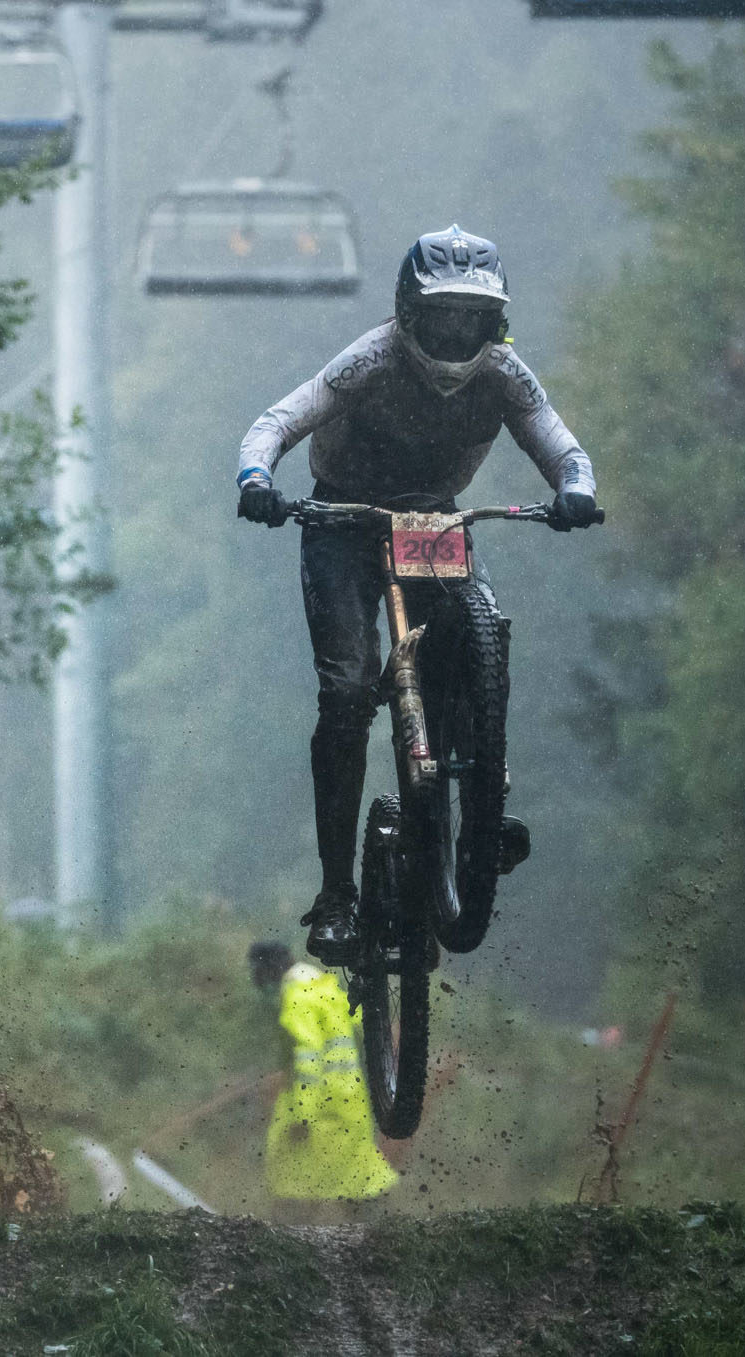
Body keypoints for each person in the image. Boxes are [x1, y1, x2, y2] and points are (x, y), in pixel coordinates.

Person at [234, 224, 599, 965]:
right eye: (444, 316)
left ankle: (482, 810)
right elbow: (279, 419)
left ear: (495, 320)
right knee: (344, 691)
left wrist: (577, 489)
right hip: (343, 515)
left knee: (481, 633)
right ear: (409, 313)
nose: (459, 332)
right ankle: (337, 892)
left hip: (432, 515)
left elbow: (559, 441)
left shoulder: (505, 373)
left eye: (474, 317)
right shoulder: (370, 359)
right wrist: (258, 479)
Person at [247, 940, 397, 1215]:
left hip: (319, 1110)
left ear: (268, 970)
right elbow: (363, 1027)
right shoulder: (327, 989)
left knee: (293, 1182)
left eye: (257, 974)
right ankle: (379, 1245)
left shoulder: (298, 996)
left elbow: (308, 1060)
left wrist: (302, 1116)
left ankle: (288, 1248)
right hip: (351, 1106)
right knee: (357, 1184)